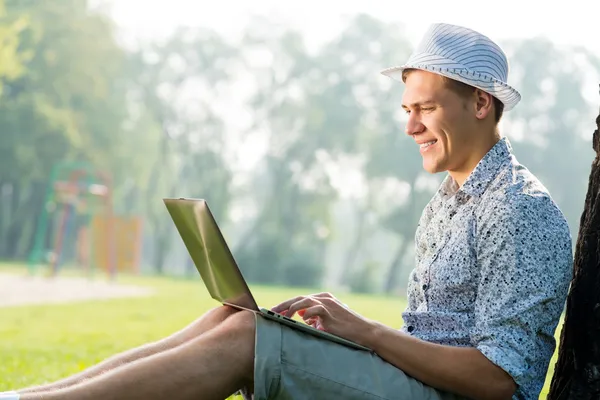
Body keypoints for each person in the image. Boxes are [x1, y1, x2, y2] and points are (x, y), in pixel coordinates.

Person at [1, 23, 573, 400]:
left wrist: (366, 333)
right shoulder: (448, 201)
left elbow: (502, 382)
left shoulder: (521, 212)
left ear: (480, 103)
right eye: (406, 108)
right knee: (235, 318)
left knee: (250, 340)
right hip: (412, 382)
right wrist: (349, 334)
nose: (410, 126)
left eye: (425, 107)